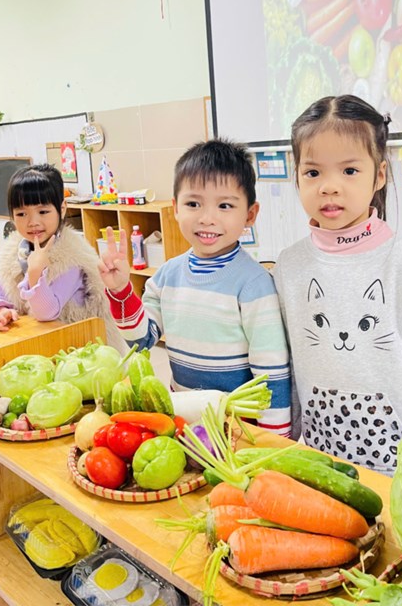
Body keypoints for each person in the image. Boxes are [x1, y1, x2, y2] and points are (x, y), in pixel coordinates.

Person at [273, 95, 402, 473]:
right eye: (313, 173)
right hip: (324, 457)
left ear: (379, 175)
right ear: (296, 175)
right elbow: (287, 361)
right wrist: (286, 438)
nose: (329, 187)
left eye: (349, 170)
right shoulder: (289, 265)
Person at [99, 139, 292, 436]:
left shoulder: (255, 284)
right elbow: (142, 341)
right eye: (193, 204)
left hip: (238, 428)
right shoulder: (166, 275)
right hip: (182, 419)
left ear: (250, 215)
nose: (207, 218)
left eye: (225, 205)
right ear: (175, 208)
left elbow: (272, 374)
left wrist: (275, 441)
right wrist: (122, 290)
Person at [0, 164, 126, 351]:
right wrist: (1, 310)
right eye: (21, 214)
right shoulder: (16, 250)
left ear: (62, 209)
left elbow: (47, 312)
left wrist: (35, 274)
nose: (33, 222)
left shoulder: (71, 256)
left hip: (83, 351)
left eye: (43, 212)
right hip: (44, 346)